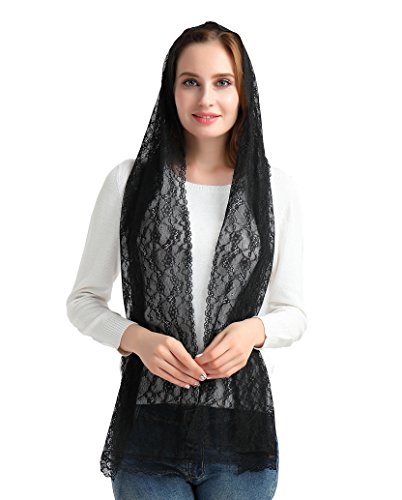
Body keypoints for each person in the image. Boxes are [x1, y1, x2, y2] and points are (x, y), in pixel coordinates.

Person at [66, 20, 307, 500]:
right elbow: (83, 301)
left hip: (240, 433)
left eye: (223, 82)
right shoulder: (129, 182)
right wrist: (136, 339)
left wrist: (253, 331)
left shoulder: (273, 188)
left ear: (243, 92)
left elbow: (293, 313)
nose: (206, 99)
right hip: (148, 426)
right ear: (170, 90)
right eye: (190, 81)